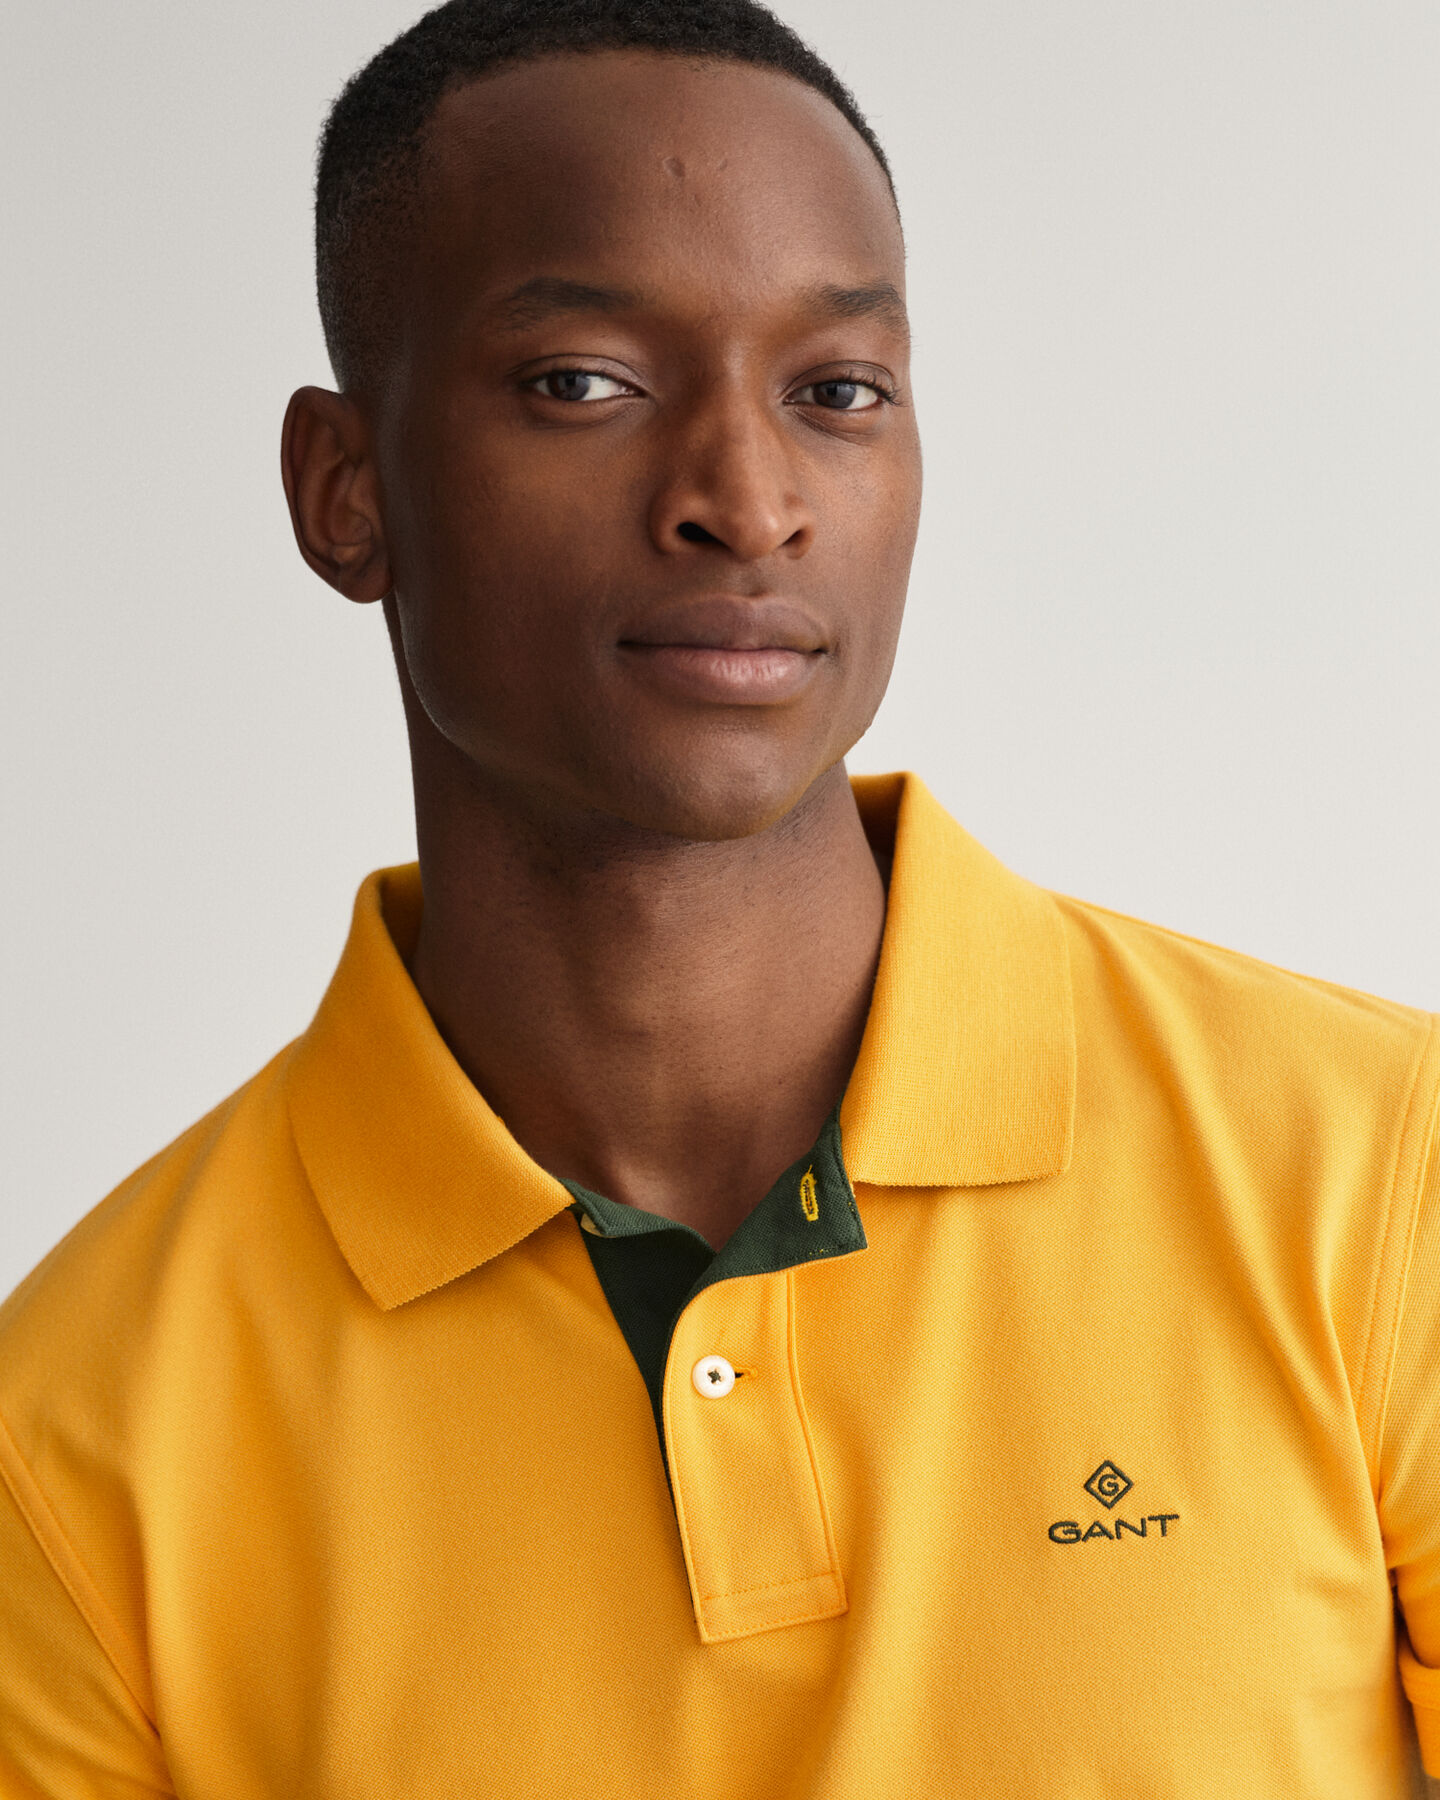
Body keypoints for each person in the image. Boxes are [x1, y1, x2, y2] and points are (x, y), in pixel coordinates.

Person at [2, 1, 1438, 1793]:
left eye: (837, 392)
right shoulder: (70, 1442)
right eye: (583, 383)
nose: (748, 504)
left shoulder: (1383, 1173)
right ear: (345, 489)